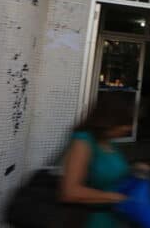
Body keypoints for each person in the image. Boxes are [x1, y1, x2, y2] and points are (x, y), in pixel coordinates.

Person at [61, 97, 134, 228]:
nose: (129, 128)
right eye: (125, 123)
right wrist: (114, 198)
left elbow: (111, 172)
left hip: (113, 219)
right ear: (110, 120)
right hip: (90, 220)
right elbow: (70, 192)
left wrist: (135, 169)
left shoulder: (108, 142)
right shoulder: (83, 141)